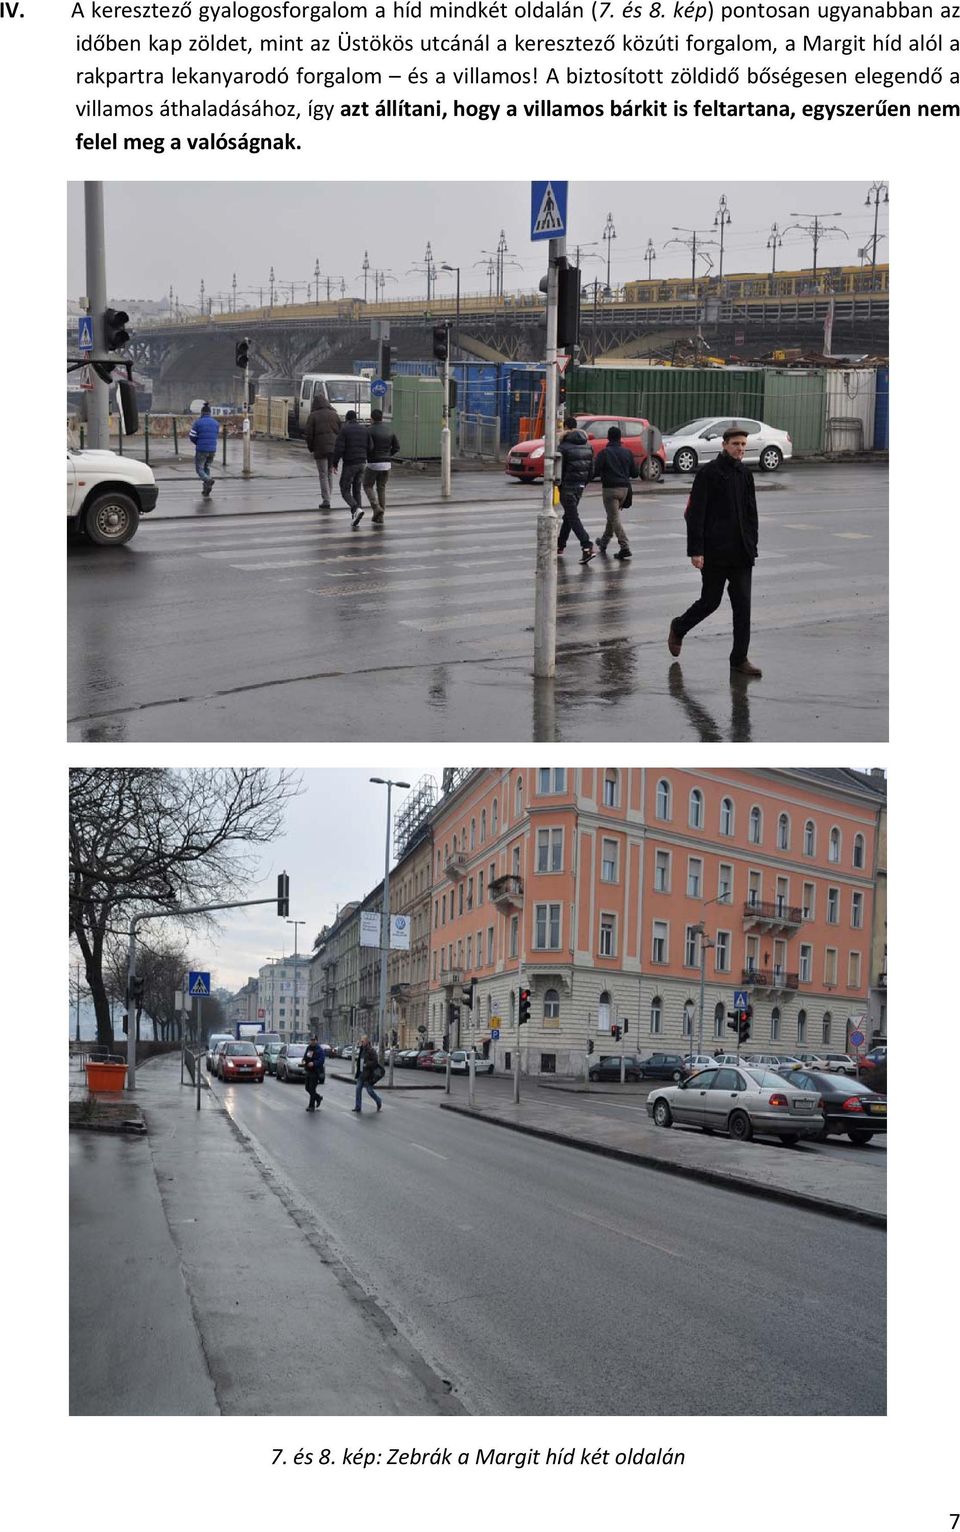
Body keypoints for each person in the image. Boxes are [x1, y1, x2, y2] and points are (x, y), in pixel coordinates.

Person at [667, 426, 762, 677]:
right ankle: (679, 627)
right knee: (710, 602)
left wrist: (752, 544)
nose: (740, 448)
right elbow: (694, 514)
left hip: (741, 553)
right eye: (735, 444)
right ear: (724, 445)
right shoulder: (708, 473)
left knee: (743, 606)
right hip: (715, 552)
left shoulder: (745, 474)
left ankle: (739, 659)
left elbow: (751, 512)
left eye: (743, 444)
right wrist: (696, 551)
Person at [591, 425, 638, 559]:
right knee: (612, 516)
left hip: (610, 490)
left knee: (614, 517)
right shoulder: (627, 452)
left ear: (608, 437)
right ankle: (604, 542)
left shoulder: (604, 453)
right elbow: (635, 473)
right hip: (624, 490)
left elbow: (595, 471)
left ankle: (625, 546)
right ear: (619, 438)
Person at [555, 414, 595, 563]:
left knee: (572, 517)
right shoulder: (588, 445)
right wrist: (583, 482)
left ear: (565, 427)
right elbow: (592, 470)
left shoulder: (563, 447)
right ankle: (560, 545)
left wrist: (560, 483)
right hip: (580, 487)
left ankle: (587, 545)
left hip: (567, 487)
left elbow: (559, 469)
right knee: (569, 516)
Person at [332, 410, 373, 527]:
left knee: (344, 489)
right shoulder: (365, 430)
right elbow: (371, 447)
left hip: (350, 464)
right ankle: (356, 516)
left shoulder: (344, 430)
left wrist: (334, 463)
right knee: (357, 489)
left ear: (347, 419)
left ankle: (356, 508)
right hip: (362, 463)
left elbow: (339, 448)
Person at [303, 394, 341, 510]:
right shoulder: (334, 414)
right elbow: (340, 431)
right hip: (333, 449)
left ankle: (326, 500)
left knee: (323, 474)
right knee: (329, 473)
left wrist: (311, 447)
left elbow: (309, 434)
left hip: (320, 448)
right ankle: (329, 496)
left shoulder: (313, 416)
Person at [362, 409, 400, 524]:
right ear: (382, 418)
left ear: (371, 418)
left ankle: (376, 507)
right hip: (386, 463)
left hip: (373, 463)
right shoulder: (389, 430)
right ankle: (380, 517)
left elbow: (366, 447)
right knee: (381, 488)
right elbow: (397, 447)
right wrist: (388, 455)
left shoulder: (368, 431)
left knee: (367, 485)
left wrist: (368, 456)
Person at [189, 402, 219, 497]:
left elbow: (192, 436)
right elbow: (216, 435)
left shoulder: (198, 422)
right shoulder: (216, 423)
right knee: (207, 467)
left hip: (202, 449)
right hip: (212, 449)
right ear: (210, 413)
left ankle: (208, 480)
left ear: (202, 413)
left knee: (199, 469)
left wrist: (198, 443)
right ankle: (206, 489)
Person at [353, 1034, 383, 1113]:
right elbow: (360, 1059)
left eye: (362, 1041)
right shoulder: (361, 1049)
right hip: (361, 1073)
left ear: (366, 1041)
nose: (361, 1042)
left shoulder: (371, 1050)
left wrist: (367, 1064)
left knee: (370, 1091)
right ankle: (358, 1106)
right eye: (361, 1041)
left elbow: (375, 1061)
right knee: (358, 1089)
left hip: (368, 1074)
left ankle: (378, 1101)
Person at [302, 1034, 326, 1111]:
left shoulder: (319, 1050)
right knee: (307, 1088)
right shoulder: (309, 1048)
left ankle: (311, 1106)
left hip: (316, 1071)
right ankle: (318, 1097)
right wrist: (304, 1060)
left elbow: (321, 1060)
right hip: (308, 1070)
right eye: (311, 1040)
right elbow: (306, 1057)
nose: (312, 1041)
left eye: (313, 1040)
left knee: (312, 1088)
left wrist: (314, 1063)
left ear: (316, 1040)